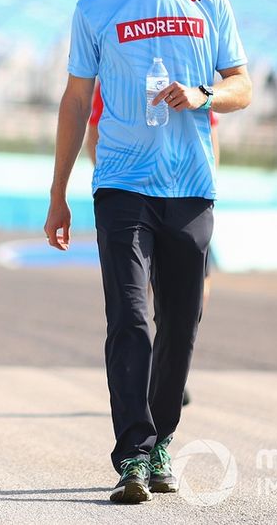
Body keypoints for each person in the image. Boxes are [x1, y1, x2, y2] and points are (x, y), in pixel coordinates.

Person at [45, 0, 251, 504]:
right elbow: (77, 101)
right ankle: (133, 453)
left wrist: (203, 94)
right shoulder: (97, 5)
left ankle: (163, 436)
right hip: (122, 186)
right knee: (130, 319)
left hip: (191, 187)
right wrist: (59, 194)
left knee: (180, 324)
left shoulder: (208, 0)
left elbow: (242, 85)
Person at [85, 83, 219, 408]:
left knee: (194, 294)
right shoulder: (117, 73)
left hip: (188, 199)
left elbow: (211, 133)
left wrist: (208, 183)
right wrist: (115, 182)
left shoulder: (193, 72)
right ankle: (145, 378)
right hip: (136, 199)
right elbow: (94, 135)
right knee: (137, 297)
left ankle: (170, 370)